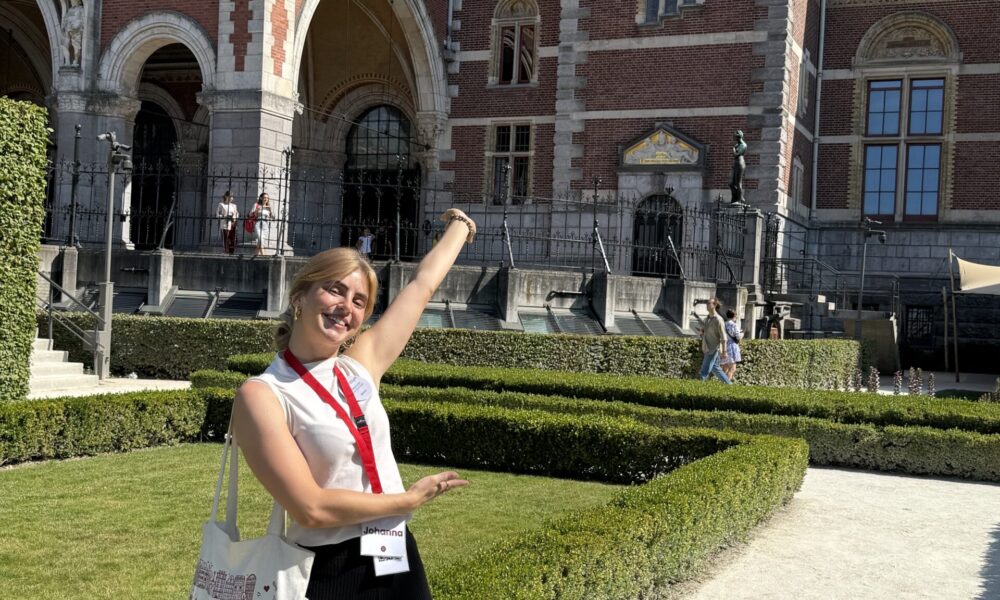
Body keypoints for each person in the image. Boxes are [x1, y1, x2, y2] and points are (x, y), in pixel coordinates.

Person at [232, 208, 478, 599]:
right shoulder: (263, 394)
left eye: (360, 300)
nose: (347, 305)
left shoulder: (358, 367)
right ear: (300, 296)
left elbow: (421, 287)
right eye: (335, 289)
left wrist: (460, 228)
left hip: (395, 554)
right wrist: (407, 500)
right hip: (328, 569)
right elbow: (310, 508)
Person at [699, 298, 732, 384]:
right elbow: (705, 332)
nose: (707, 305)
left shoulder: (719, 319)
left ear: (714, 305)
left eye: (709, 303)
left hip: (713, 349)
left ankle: (698, 391)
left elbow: (724, 337)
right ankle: (729, 385)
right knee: (715, 368)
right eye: (707, 303)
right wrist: (702, 332)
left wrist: (724, 351)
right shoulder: (707, 319)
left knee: (704, 371)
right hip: (707, 347)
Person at [719, 309, 743, 381]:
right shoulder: (734, 325)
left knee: (725, 367)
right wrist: (743, 334)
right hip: (732, 347)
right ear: (734, 316)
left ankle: (721, 384)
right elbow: (738, 337)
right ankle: (727, 384)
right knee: (732, 368)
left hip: (724, 346)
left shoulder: (723, 324)